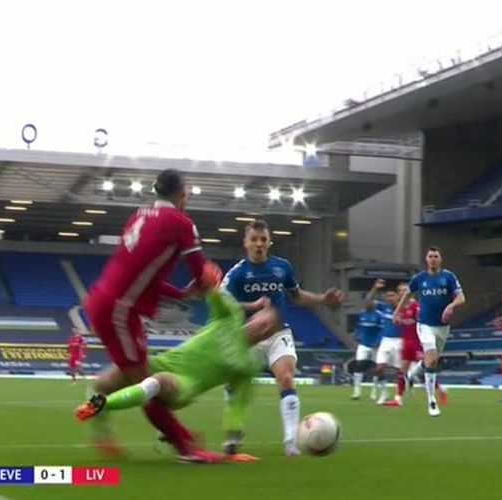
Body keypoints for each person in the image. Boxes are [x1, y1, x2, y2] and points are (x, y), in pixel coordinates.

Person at [83, 168, 225, 464]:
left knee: (128, 374)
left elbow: (141, 273)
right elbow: (201, 272)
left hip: (104, 299)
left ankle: (97, 406)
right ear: (182, 193)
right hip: (119, 310)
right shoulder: (182, 223)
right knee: (146, 383)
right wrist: (208, 281)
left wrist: (182, 294)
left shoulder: (139, 214)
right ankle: (185, 445)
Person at [77, 290, 280, 463]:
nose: (262, 327)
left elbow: (236, 406)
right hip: (163, 362)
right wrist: (204, 274)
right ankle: (104, 435)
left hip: (185, 385)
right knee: (106, 380)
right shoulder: (230, 317)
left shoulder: (247, 366)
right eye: (262, 321)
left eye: (268, 328)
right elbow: (214, 291)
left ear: (269, 336)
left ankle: (98, 405)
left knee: (161, 381)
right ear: (254, 316)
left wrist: (232, 448)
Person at [221, 219, 344, 457]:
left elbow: (296, 297)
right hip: (249, 335)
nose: (259, 244)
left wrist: (322, 299)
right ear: (245, 242)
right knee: (234, 384)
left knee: (286, 378)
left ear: (269, 242)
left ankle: (290, 442)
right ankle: (234, 432)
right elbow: (222, 302)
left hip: (278, 332)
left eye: (263, 239)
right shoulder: (236, 274)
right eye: (254, 239)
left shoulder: (282, 267)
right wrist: (250, 306)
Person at [396, 246, 465, 417]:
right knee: (432, 360)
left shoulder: (448, 277)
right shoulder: (420, 279)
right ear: (426, 259)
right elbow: (407, 295)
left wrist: (451, 305)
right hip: (424, 325)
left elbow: (461, 297)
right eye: (430, 256)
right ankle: (432, 402)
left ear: (440, 259)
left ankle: (412, 374)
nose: (433, 259)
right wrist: (398, 311)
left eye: (436, 256)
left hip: (442, 326)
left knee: (430, 361)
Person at [365, 279, 402, 405]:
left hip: (400, 341)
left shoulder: (405, 307)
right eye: (388, 296)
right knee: (380, 367)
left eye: (392, 295)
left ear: (398, 296)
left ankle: (398, 396)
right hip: (386, 340)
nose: (390, 298)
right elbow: (368, 304)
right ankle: (384, 393)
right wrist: (375, 288)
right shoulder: (384, 308)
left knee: (400, 371)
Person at [351, 307, 382, 400]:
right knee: (358, 365)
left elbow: (381, 330)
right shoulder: (361, 314)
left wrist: (378, 342)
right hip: (363, 344)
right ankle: (356, 392)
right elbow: (358, 327)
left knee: (376, 368)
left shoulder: (379, 315)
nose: (368, 303)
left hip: (375, 345)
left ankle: (374, 391)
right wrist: (356, 335)